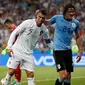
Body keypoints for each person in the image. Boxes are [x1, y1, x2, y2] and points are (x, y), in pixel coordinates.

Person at [1, 9, 53, 85]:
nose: (41, 19)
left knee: (30, 74)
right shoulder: (27, 23)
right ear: (37, 16)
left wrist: (55, 48)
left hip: (29, 53)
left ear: (45, 18)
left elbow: (48, 41)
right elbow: (14, 33)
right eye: (40, 17)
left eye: (43, 18)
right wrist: (9, 47)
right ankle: (5, 82)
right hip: (17, 50)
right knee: (11, 72)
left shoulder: (44, 30)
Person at [46, 4, 83, 85]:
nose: (71, 13)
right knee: (63, 75)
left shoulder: (75, 23)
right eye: (69, 11)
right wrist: (39, 16)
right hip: (58, 51)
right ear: (65, 12)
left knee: (68, 76)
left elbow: (78, 37)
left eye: (73, 11)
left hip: (68, 51)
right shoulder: (57, 18)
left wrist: (80, 51)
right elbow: (46, 22)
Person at [2, 18, 21, 85]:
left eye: (6, 26)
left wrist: (6, 49)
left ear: (8, 23)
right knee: (14, 65)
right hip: (15, 49)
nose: (7, 28)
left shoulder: (15, 29)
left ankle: (17, 82)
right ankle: (16, 80)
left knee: (14, 65)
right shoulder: (14, 29)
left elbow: (13, 41)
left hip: (16, 50)